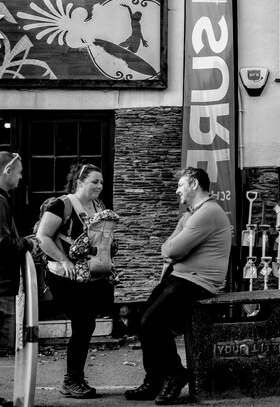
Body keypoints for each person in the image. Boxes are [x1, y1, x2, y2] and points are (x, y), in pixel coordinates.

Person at [126, 167, 231, 405]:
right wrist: (172, 253)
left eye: (181, 185)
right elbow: (168, 249)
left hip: (198, 281)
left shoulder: (208, 213)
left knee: (151, 321)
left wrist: (173, 253)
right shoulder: (189, 216)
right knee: (141, 319)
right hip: (180, 277)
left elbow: (173, 250)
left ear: (194, 184)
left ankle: (175, 374)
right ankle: (155, 379)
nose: (177, 190)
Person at [34, 162, 116, 399]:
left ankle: (74, 379)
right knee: (83, 323)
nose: (100, 186)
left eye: (101, 182)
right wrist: (65, 261)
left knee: (86, 324)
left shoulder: (98, 205)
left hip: (89, 276)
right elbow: (42, 237)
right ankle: (72, 380)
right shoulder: (61, 204)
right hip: (63, 275)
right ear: (80, 182)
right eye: (94, 181)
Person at [0, 152, 36, 407]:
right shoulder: (0, 201)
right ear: (7, 171)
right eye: (19, 172)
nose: (21, 177)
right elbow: (3, 244)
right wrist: (28, 243)